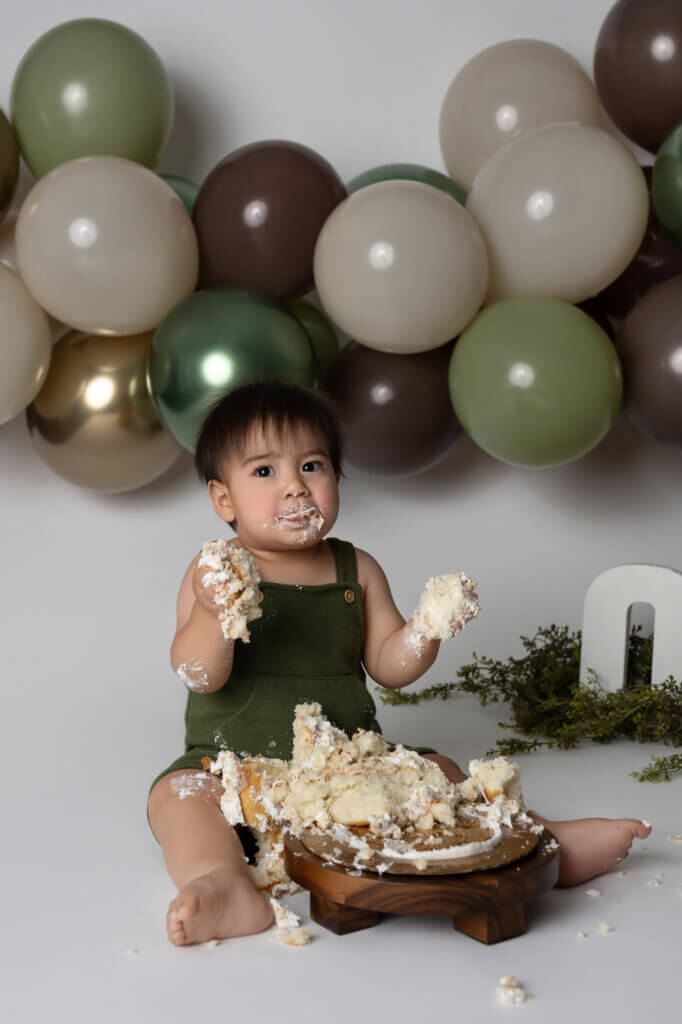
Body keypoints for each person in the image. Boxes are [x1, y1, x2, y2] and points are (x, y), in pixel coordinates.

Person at [147, 380, 651, 946]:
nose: (294, 486)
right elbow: (198, 672)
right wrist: (216, 615)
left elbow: (390, 665)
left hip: (349, 772)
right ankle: (222, 882)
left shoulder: (355, 569)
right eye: (264, 472)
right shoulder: (217, 570)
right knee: (178, 798)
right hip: (231, 764)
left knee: (439, 769)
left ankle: (537, 840)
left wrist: (425, 629)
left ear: (336, 478)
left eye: (311, 465)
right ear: (224, 500)